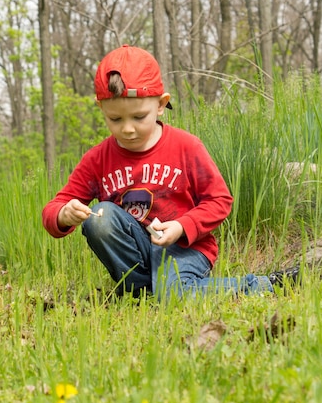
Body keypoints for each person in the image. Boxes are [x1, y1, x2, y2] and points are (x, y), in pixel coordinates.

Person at [41, 44, 300, 300]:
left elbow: (220, 201)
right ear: (102, 109)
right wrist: (64, 214)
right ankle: (141, 289)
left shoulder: (186, 147)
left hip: (184, 247)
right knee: (100, 218)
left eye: (139, 117)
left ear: (161, 104)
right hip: (138, 251)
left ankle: (266, 285)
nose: (128, 129)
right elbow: (55, 207)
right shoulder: (98, 159)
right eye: (116, 119)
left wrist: (181, 226)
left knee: (174, 294)